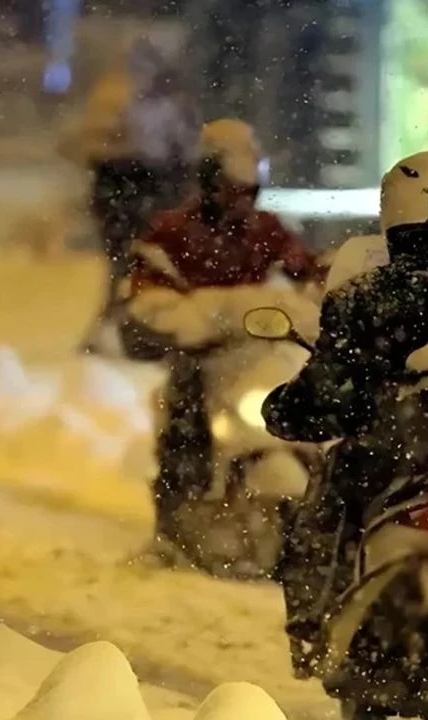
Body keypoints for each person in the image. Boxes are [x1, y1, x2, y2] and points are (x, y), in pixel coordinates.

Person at [261, 151, 428, 673]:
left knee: (317, 525)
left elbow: (326, 390)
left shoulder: (361, 296)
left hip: (382, 466)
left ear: (392, 210)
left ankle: (317, 629)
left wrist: (288, 412)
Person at [120, 117, 325, 555]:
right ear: (210, 181)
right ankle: (177, 519)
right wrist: (174, 317)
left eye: (246, 190)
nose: (239, 201)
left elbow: (307, 271)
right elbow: (145, 289)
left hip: (260, 352)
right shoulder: (172, 231)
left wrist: (328, 288)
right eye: (232, 188)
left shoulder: (267, 230)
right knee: (184, 417)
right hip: (205, 357)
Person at [75, 39, 198, 355]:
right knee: (133, 269)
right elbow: (182, 151)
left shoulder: (116, 97)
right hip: (137, 193)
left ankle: (128, 333)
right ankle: (128, 334)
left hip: (132, 193)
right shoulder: (137, 99)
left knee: (132, 270)